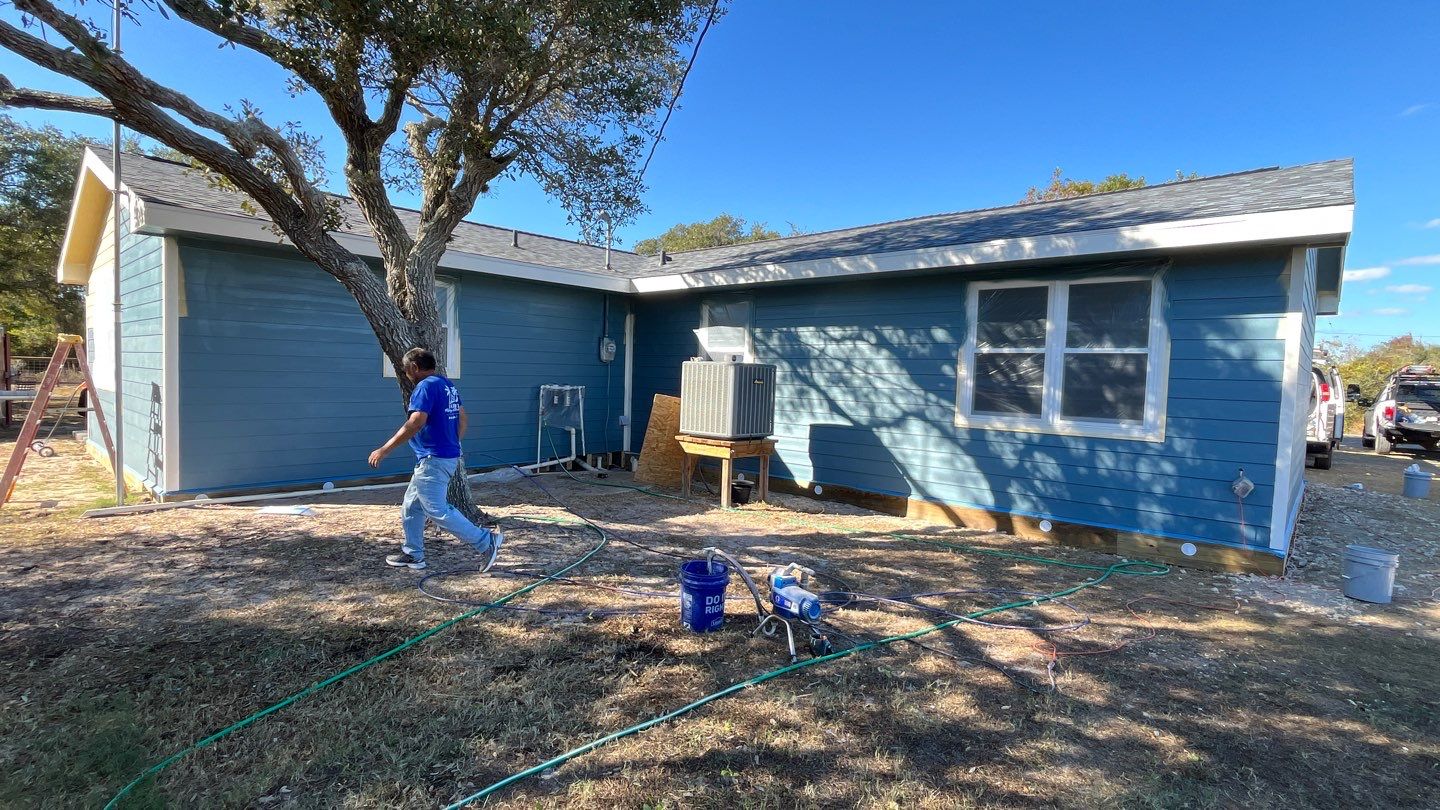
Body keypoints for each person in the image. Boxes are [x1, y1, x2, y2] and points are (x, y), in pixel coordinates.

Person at [368, 347, 501, 571]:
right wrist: (451, 444)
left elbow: (416, 422)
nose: (406, 374)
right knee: (411, 506)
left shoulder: (425, 386)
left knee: (436, 509)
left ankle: (485, 541)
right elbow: (463, 419)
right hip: (441, 457)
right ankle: (413, 554)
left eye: (406, 370)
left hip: (433, 459)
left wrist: (384, 449)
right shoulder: (447, 385)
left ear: (414, 367)